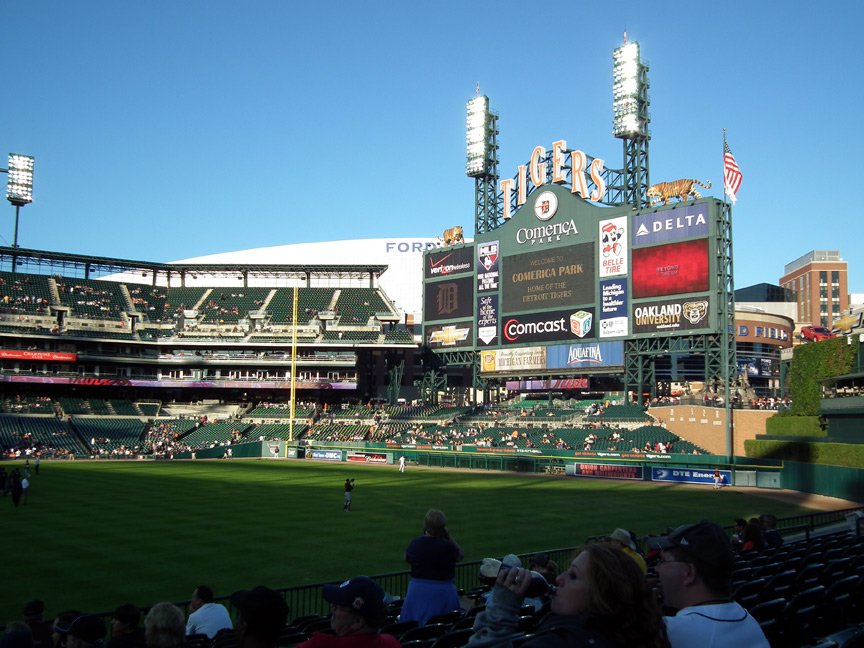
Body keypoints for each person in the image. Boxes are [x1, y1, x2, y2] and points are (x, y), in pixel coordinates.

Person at [467, 543, 670, 648]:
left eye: (573, 576)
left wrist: (501, 611)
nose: (559, 579)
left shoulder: (560, 643)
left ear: (599, 596)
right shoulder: (626, 632)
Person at [652, 520, 769, 648]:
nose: (657, 569)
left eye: (662, 561)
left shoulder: (675, 631)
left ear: (689, 573)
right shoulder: (748, 619)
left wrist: (641, 603)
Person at [399, 509, 464, 625]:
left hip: (418, 591)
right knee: (445, 626)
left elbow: (406, 558)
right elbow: (460, 555)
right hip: (443, 592)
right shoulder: (447, 546)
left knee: (414, 627)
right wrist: (448, 536)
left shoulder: (416, 543)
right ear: (442, 527)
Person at [294, 576, 399, 647]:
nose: (332, 606)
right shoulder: (392, 643)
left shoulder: (320, 645)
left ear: (358, 622)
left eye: (339, 606)